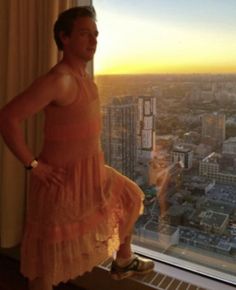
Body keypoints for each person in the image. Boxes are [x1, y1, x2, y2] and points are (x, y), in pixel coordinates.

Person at [0, 6, 154, 290]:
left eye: (95, 35)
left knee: (131, 197)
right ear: (65, 38)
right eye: (85, 34)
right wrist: (33, 165)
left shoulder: (86, 80)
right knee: (46, 265)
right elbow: (7, 118)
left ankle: (123, 259)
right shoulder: (60, 81)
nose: (93, 41)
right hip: (62, 184)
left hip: (92, 175)